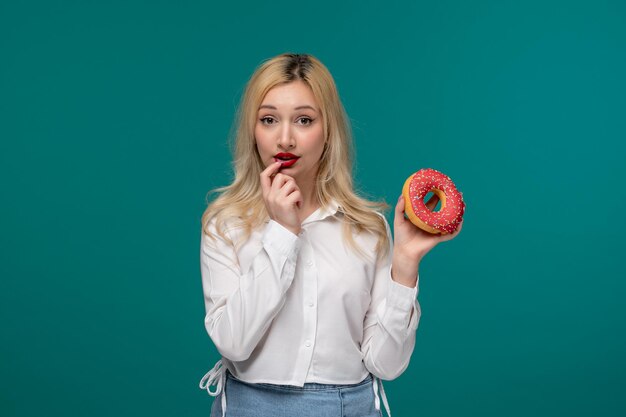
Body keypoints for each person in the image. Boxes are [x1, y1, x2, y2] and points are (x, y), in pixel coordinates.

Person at [198, 53, 463, 417]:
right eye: (269, 119)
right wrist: (282, 231)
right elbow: (233, 343)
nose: (285, 138)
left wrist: (404, 265)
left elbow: (387, 365)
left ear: (328, 131)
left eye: (304, 120)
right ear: (252, 129)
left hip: (350, 407)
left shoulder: (368, 228)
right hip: (250, 406)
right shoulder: (224, 224)